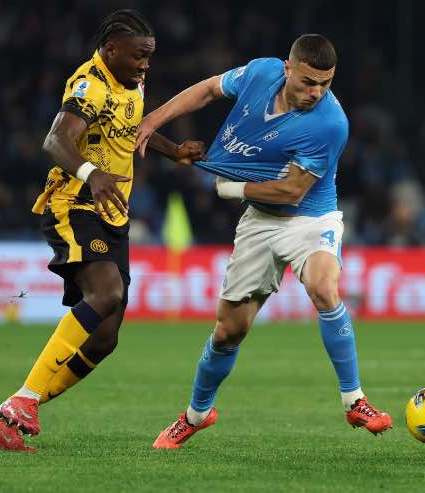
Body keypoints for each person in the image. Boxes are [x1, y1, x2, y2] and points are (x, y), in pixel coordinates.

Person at [136, 34, 392, 449]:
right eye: (309, 81)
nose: (317, 92)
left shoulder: (330, 124)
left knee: (325, 288)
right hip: (260, 222)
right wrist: (151, 121)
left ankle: (354, 400)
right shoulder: (260, 72)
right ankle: (196, 415)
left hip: (310, 216)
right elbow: (206, 90)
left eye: (325, 84)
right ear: (288, 68)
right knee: (227, 332)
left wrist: (228, 190)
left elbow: (292, 192)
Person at [0, 9, 205, 452]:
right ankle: (24, 400)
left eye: (149, 57)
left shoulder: (132, 83)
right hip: (75, 202)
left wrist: (172, 150)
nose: (145, 65)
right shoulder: (89, 84)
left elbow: (129, 127)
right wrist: (90, 173)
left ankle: (8, 413)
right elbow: (55, 140)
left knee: (105, 337)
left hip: (112, 212)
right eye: (139, 56)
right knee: (107, 294)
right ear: (110, 49)